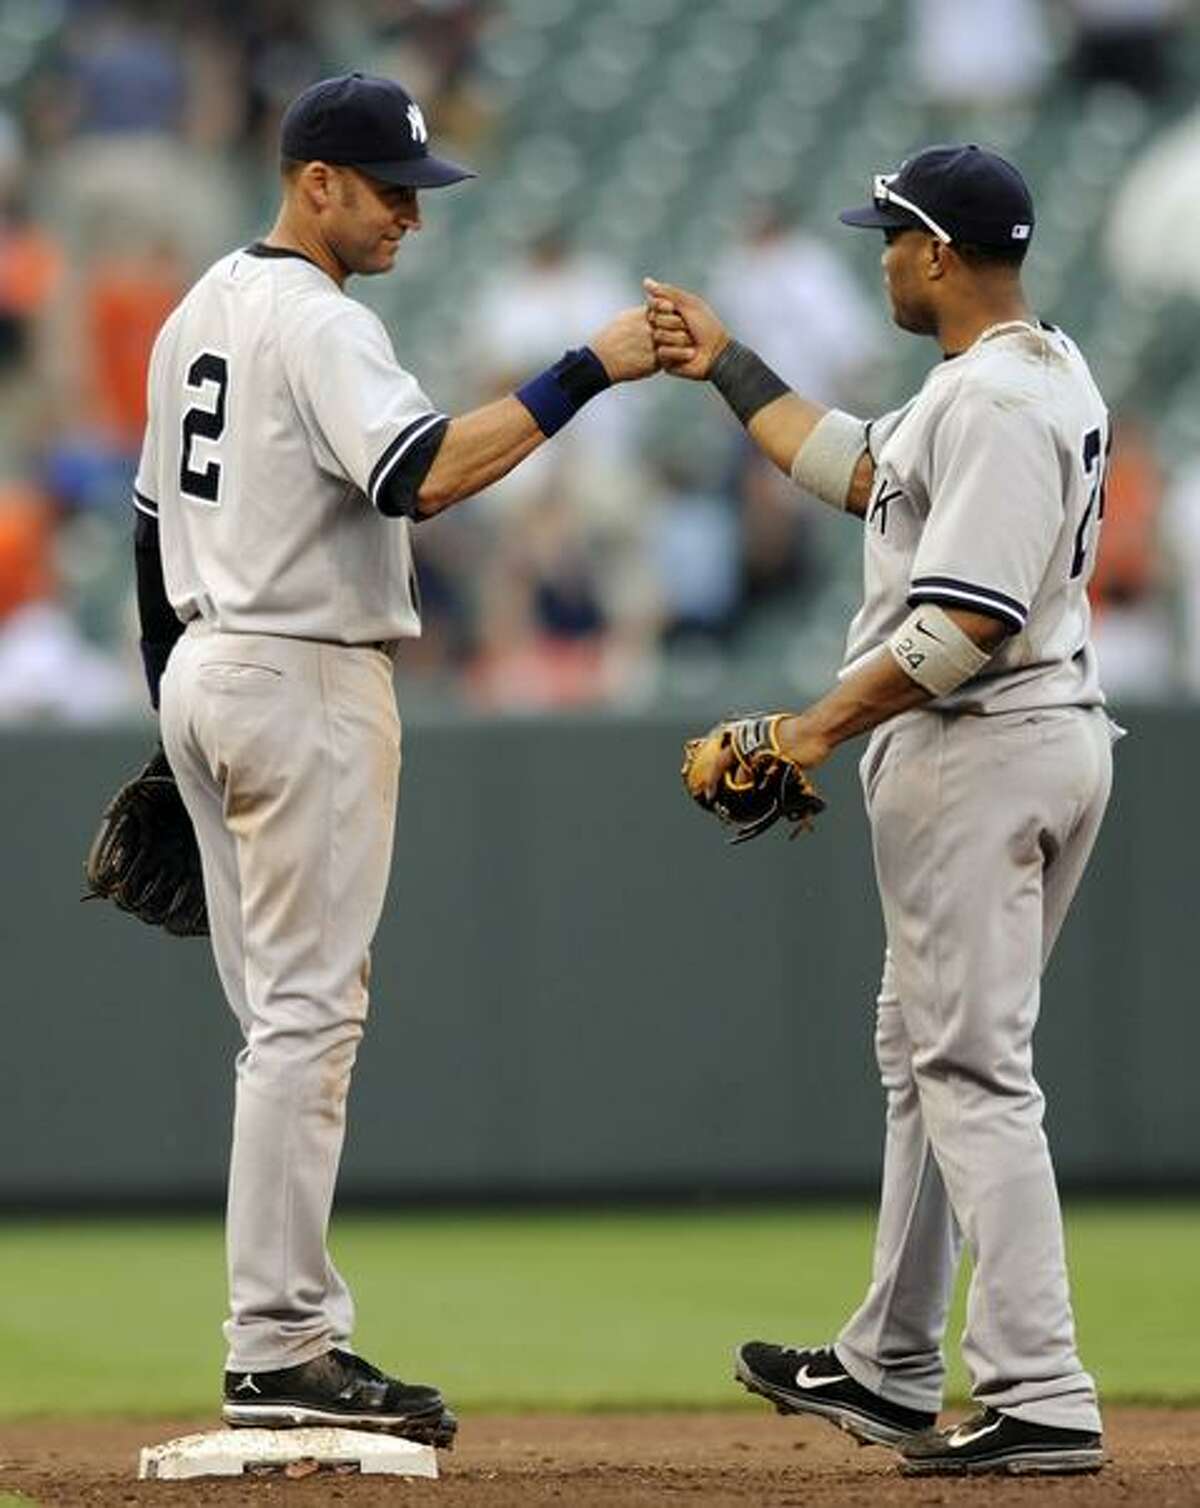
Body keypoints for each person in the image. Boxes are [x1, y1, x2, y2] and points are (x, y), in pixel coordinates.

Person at [132, 70, 657, 1444]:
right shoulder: (312, 321)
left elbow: (146, 534)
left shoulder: (199, 310)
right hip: (298, 672)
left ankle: (283, 1330)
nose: (410, 219)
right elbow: (423, 471)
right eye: (389, 191)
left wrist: (166, 720)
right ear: (314, 180)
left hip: (205, 661)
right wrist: (587, 366)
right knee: (311, 1020)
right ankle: (282, 1349)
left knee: (282, 1026)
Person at [648, 144, 1114, 1478]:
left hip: (988, 741)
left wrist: (799, 730)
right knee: (924, 1052)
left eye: (892, 238)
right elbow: (857, 468)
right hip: (1012, 739)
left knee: (970, 1069)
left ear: (941, 255)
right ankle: (893, 1361)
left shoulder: (1001, 404)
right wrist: (728, 362)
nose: (882, 257)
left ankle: (1041, 1392)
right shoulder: (1016, 376)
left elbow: (967, 623)